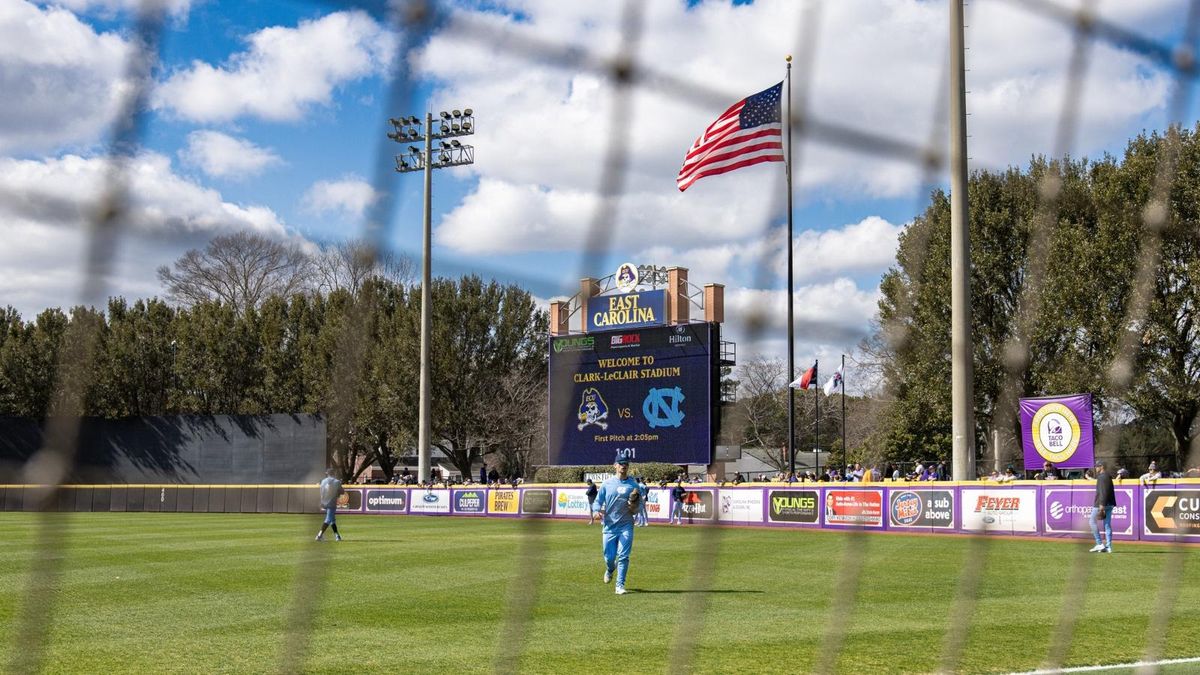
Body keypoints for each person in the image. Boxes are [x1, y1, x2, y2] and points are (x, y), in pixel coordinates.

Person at [593, 454, 641, 594]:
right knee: (609, 557)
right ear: (615, 465)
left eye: (625, 463)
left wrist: (634, 506)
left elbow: (639, 505)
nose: (623, 466)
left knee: (624, 556)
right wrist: (596, 511)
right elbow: (598, 501)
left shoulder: (633, 485)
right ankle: (609, 569)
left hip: (626, 526)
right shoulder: (607, 484)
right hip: (609, 526)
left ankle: (620, 585)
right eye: (620, 463)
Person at [1091, 461, 1116, 553]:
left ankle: (1099, 544)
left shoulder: (1101, 477)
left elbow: (1103, 492)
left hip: (1101, 504)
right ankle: (1108, 547)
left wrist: (1102, 505)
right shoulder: (1108, 476)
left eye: (1097, 466)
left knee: (1091, 521)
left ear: (1101, 467)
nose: (1096, 468)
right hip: (1110, 503)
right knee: (1107, 525)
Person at [316, 468, 344, 542]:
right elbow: (342, 492)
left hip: (324, 502)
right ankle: (319, 535)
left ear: (327, 474)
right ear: (334, 473)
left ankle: (337, 536)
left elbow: (321, 492)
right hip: (331, 502)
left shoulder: (323, 481)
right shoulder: (337, 481)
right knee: (328, 519)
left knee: (332, 520)